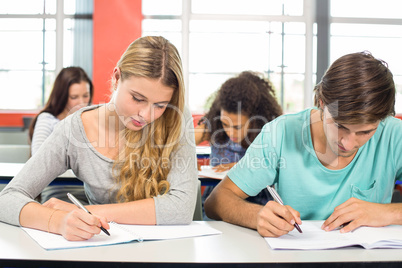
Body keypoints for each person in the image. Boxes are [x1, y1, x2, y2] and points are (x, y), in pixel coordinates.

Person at [0, 36, 197, 241]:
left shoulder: (176, 116)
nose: (146, 115)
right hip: (103, 249)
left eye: (160, 105)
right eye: (138, 99)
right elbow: (7, 199)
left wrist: (89, 211)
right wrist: (57, 221)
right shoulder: (73, 131)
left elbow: (181, 208)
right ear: (117, 77)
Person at [204, 51, 402, 237]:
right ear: (322, 103)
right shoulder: (280, 133)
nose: (348, 144)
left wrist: (390, 212)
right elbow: (216, 201)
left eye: (365, 132)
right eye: (340, 126)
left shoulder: (395, 134)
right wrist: (256, 215)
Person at [195, 71, 282, 219]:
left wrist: (240, 166)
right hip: (216, 208)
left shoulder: (268, 135)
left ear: (254, 120)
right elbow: (182, 144)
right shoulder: (214, 126)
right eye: (224, 124)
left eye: (237, 127)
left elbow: (280, 170)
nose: (229, 132)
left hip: (258, 210)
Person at [28, 66, 94, 204]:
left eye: (86, 95)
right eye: (74, 97)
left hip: (92, 190)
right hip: (58, 189)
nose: (82, 102)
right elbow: (38, 158)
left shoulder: (93, 118)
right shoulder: (48, 119)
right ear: (62, 96)